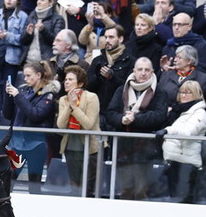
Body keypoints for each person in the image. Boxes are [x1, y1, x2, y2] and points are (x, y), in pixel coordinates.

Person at [105, 57, 167, 200]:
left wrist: (135, 118)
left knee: (141, 192)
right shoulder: (122, 89)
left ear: (152, 72)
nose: (143, 73)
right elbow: (110, 113)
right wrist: (122, 119)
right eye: (140, 69)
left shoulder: (159, 92)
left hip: (145, 150)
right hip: (122, 148)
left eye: (147, 70)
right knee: (124, 191)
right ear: (134, 71)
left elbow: (159, 116)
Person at [4, 61, 58, 189]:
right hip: (17, 143)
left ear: (38, 75)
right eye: (25, 76)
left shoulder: (48, 94)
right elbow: (7, 114)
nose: (25, 79)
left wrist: (17, 96)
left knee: (34, 184)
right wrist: (8, 95)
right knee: (9, 180)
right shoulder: (22, 90)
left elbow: (35, 114)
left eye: (29, 76)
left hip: (36, 144)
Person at [157, 80, 206, 202]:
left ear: (196, 94)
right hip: (174, 161)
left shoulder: (200, 113)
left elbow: (187, 133)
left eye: (188, 92)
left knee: (183, 203)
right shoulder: (179, 111)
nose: (184, 95)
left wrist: (167, 131)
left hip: (187, 165)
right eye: (182, 92)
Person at [56, 65, 100, 195]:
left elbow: (88, 125)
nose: (66, 82)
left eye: (70, 79)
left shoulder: (92, 97)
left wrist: (75, 107)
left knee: (87, 187)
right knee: (74, 186)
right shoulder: (64, 99)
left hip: (90, 148)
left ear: (80, 83)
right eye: (66, 79)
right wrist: (69, 104)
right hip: (70, 147)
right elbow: (60, 125)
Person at [87, 26, 134, 128]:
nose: (107, 40)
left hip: (118, 114)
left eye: (111, 37)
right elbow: (88, 86)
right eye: (106, 37)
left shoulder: (130, 61)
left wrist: (112, 77)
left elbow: (129, 87)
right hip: (97, 112)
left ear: (120, 39)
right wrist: (98, 76)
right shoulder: (97, 60)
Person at [0, 0, 28, 82]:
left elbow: (24, 39)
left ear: (18, 1)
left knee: (8, 87)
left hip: (12, 58)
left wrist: (8, 36)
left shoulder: (23, 16)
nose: (9, 0)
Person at [20, 0, 64, 65]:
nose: (38, 2)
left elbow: (57, 42)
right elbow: (23, 41)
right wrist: (28, 33)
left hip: (46, 62)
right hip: (28, 61)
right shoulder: (31, 16)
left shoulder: (57, 19)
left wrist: (43, 30)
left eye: (42, 0)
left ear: (51, 2)